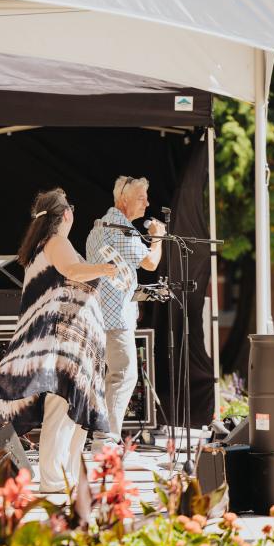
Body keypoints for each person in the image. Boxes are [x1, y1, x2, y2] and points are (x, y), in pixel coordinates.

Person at [0, 188, 117, 493]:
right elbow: (73, 271)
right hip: (63, 344)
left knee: (71, 410)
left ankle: (65, 476)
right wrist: (106, 268)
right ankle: (56, 478)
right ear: (66, 214)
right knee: (64, 409)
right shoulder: (57, 242)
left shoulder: (44, 245)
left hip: (69, 343)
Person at [85, 176, 164, 452]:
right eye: (142, 197)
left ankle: (100, 436)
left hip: (99, 315)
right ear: (124, 199)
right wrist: (158, 237)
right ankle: (106, 440)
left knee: (107, 377)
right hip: (114, 318)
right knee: (124, 374)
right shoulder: (119, 229)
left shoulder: (99, 227)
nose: (147, 203)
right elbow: (151, 263)